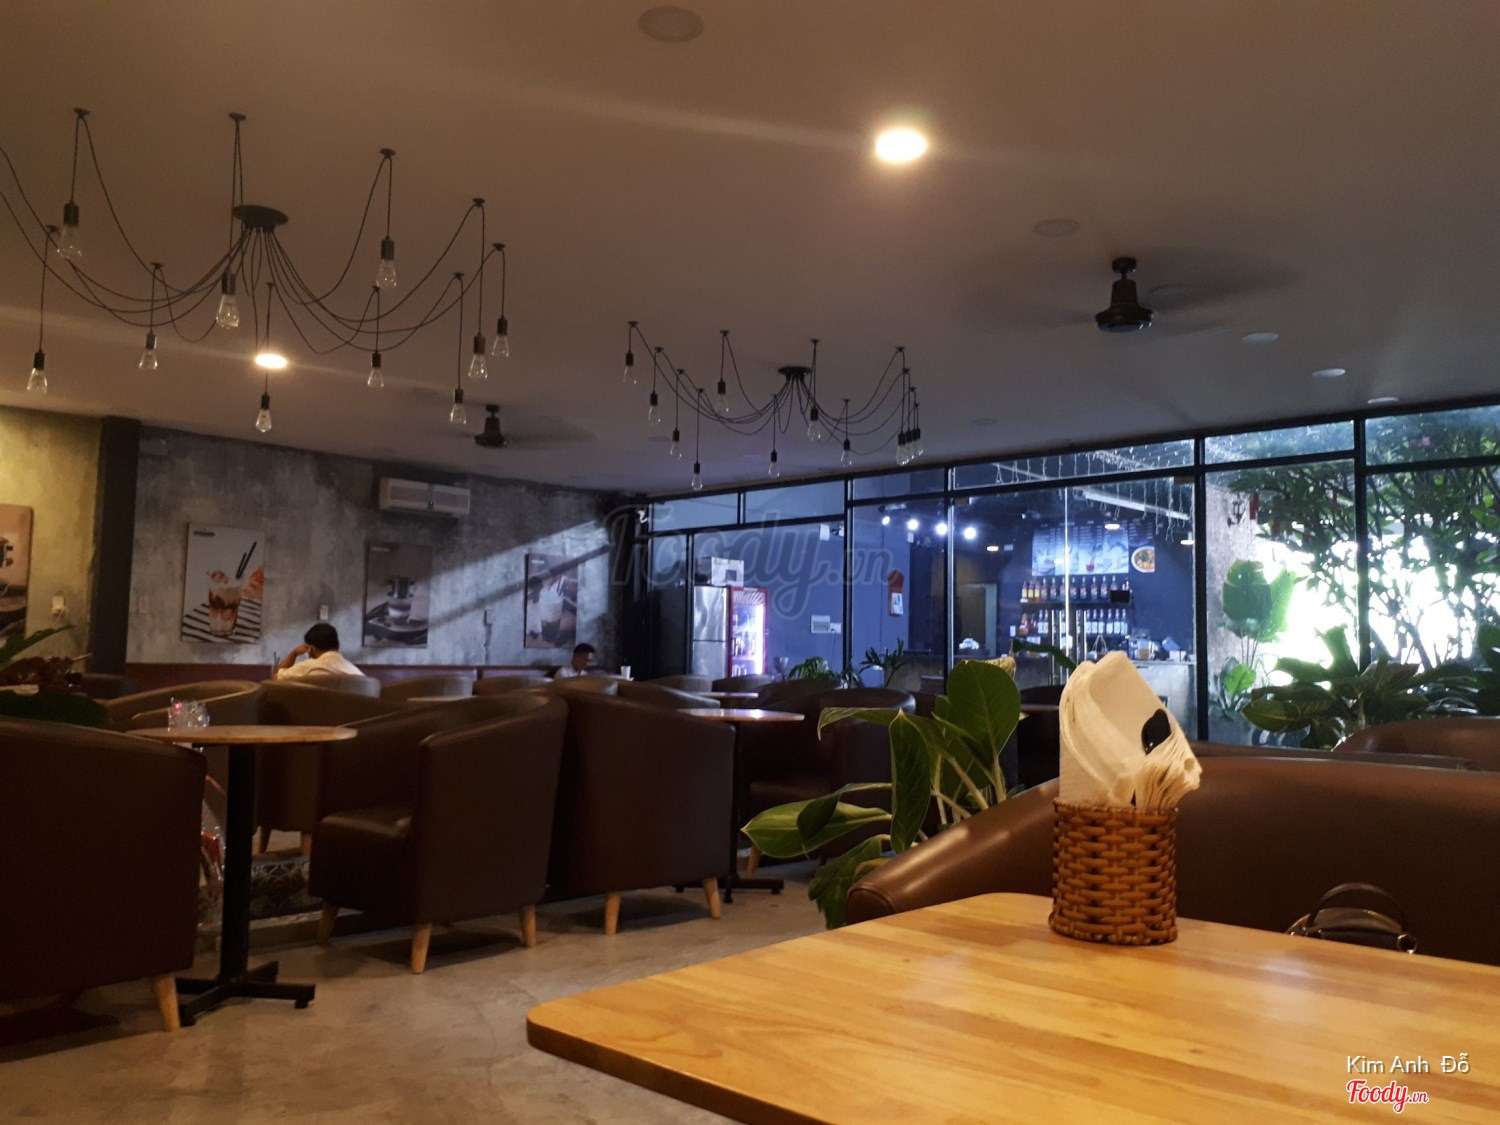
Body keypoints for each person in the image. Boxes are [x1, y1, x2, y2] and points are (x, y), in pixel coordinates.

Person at [275, 623, 366, 681]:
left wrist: (293, 653)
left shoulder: (308, 667)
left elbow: (275, 678)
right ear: (337, 646)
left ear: (311, 649)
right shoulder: (356, 672)